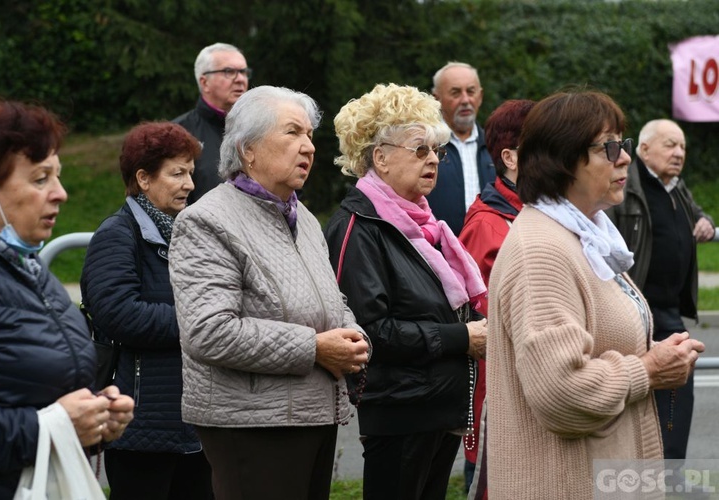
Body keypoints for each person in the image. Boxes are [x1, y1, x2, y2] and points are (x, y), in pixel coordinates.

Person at [486, 89, 705, 499]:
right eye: (608, 147)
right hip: (567, 484)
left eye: (623, 144)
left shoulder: (586, 236)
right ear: (563, 159)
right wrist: (648, 370)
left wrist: (653, 352)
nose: (624, 157)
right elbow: (561, 391)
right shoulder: (543, 250)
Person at [169, 85, 371, 500]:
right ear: (247, 150)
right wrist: (314, 348)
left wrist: (352, 336)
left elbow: (330, 300)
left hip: (312, 412)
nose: (308, 147)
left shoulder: (306, 220)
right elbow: (209, 331)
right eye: (293, 133)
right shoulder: (207, 222)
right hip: (252, 424)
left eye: (311, 135)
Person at [324, 83, 488, 500]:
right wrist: (463, 338)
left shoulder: (426, 225)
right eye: (420, 149)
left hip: (437, 406)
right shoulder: (360, 228)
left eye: (437, 150)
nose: (433, 159)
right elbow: (370, 332)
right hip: (400, 413)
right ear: (380, 158)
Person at [0, 97, 134, 499]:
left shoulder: (28, 267)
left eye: (57, 177)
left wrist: (93, 417)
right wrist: (50, 426)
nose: (60, 193)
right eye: (41, 178)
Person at [80, 121, 212, 500]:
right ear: (143, 178)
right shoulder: (117, 234)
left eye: (190, 172)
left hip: (192, 418)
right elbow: (120, 315)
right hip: (140, 427)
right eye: (177, 173)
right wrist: (202, 324)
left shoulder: (184, 233)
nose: (189, 184)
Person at [607, 119, 715, 461]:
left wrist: (706, 222)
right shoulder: (625, 186)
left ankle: (672, 473)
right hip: (636, 310)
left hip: (671, 310)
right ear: (643, 149)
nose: (679, 153)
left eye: (682, 146)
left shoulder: (676, 187)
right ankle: (642, 475)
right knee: (642, 397)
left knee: (679, 394)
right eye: (670, 145)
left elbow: (698, 216)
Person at [457, 98, 535, 495]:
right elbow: (484, 329)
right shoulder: (487, 225)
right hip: (501, 404)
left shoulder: (535, 212)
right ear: (510, 157)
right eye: (544, 146)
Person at [173, 42, 250, 203]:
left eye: (243, 72)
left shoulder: (260, 129)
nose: (241, 79)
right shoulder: (177, 134)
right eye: (229, 72)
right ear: (204, 82)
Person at [427, 61, 495, 235]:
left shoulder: (497, 148)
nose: (465, 100)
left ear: (480, 96)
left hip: (487, 257)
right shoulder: (424, 149)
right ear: (436, 99)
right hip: (436, 256)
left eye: (470, 91)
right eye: (455, 93)